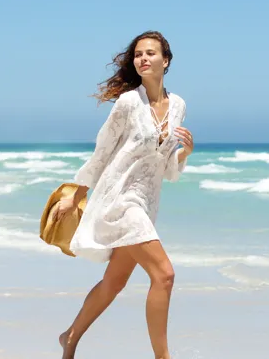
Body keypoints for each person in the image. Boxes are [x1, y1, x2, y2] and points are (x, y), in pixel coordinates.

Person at [52, 30, 194, 359]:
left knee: (114, 283)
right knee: (165, 274)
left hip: (146, 203)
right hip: (120, 201)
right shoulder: (129, 103)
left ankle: (70, 337)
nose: (143, 58)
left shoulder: (179, 106)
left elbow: (167, 169)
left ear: (166, 60)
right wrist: (75, 195)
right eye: (138, 54)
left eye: (150, 53)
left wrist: (185, 152)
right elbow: (102, 152)